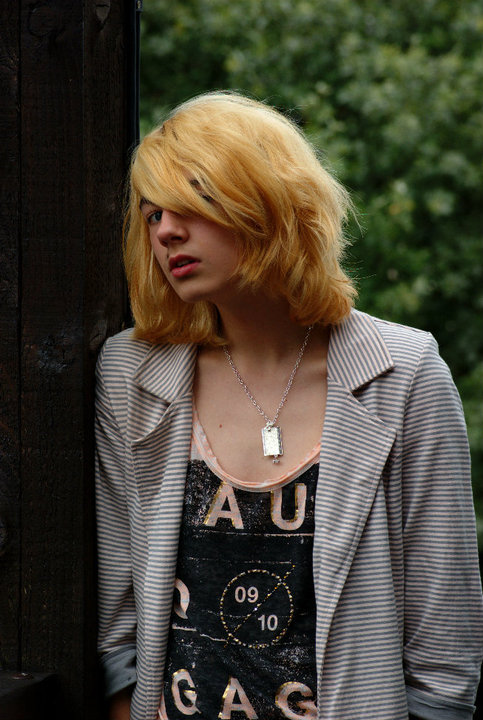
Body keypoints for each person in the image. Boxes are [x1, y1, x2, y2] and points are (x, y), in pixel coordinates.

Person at [95, 91, 483, 720]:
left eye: (193, 198)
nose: (165, 229)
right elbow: (116, 630)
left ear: (267, 201)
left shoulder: (404, 377)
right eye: (151, 212)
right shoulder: (132, 377)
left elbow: (444, 658)